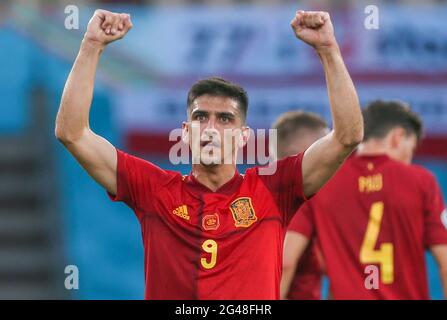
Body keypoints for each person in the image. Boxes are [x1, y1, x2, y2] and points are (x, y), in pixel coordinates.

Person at [55, 9, 363, 299]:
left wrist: (328, 50)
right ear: (186, 131)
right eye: (201, 117)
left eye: (225, 119)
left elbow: (347, 137)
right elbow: (73, 133)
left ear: (244, 137)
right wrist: (91, 45)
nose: (211, 128)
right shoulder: (154, 189)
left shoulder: (274, 188)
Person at [282, 100, 447, 299]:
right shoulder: (422, 181)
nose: (408, 159)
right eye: (410, 150)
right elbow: (444, 259)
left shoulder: (323, 182)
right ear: (397, 137)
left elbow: (286, 260)